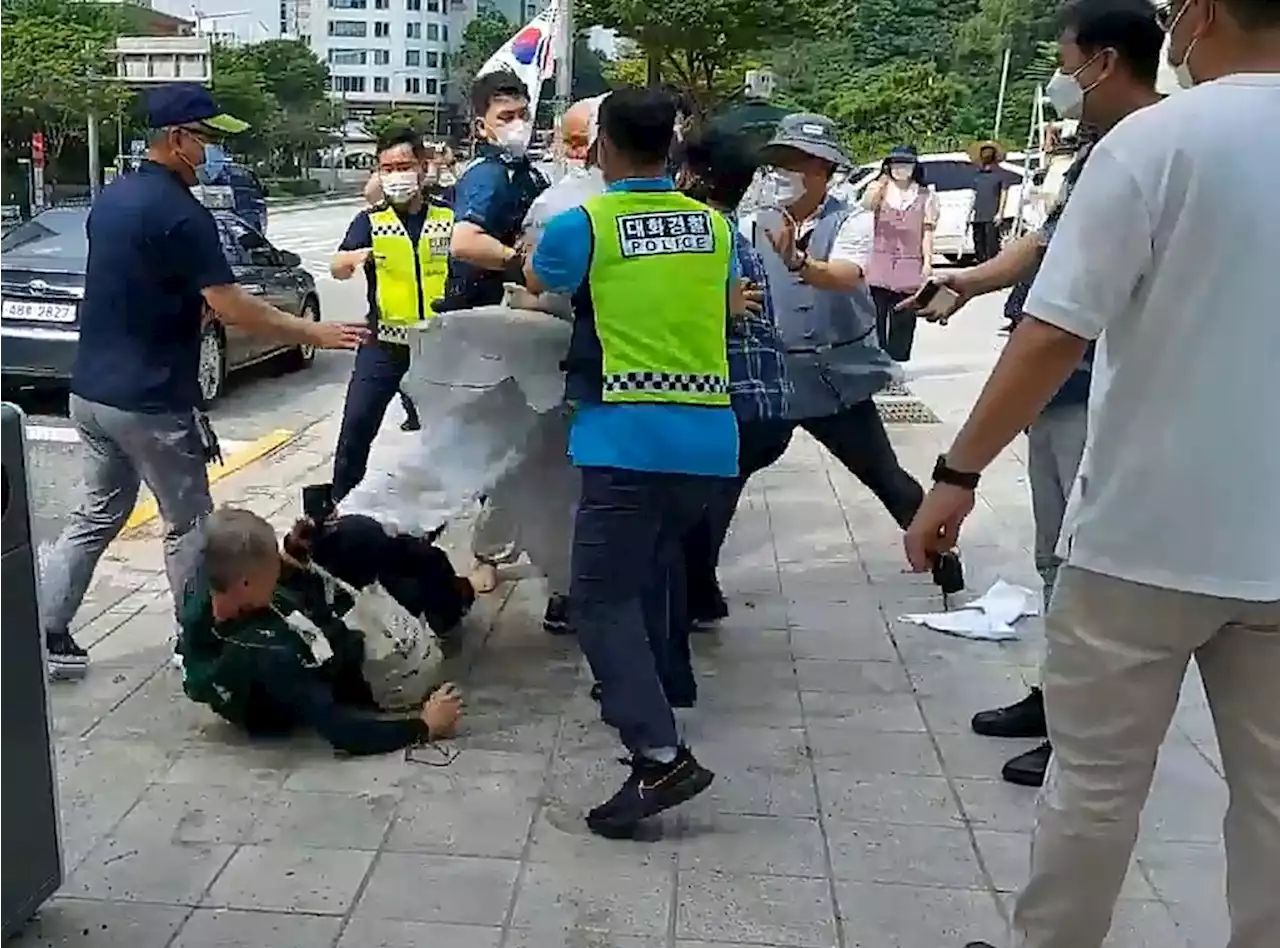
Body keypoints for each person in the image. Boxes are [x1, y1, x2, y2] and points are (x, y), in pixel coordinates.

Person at [903, 1, 1280, 946]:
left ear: (1201, 14)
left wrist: (956, 472)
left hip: (1141, 541)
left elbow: (1054, 330)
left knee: (1096, 788)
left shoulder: (1159, 142)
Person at [902, 0, 1162, 791]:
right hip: (1061, 391)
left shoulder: (1152, 148)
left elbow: (1069, 312)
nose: (1059, 81)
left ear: (1104, 62)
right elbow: (1047, 244)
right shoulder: (1100, 154)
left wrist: (959, 469)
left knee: (1089, 566)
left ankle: (1080, 729)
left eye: (1064, 61)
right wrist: (967, 283)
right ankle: (1055, 698)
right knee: (1057, 557)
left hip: (1099, 387)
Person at [39, 83, 365, 679]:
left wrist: (189, 306)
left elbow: (138, 280)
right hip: (151, 401)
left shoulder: (111, 198)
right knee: (188, 524)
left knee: (97, 513)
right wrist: (312, 333)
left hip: (90, 392)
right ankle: (199, 644)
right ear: (177, 139)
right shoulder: (184, 214)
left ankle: (47, 630)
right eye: (208, 139)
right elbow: (235, 305)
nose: (214, 152)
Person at [524, 87, 739, 837]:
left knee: (597, 599)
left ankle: (659, 755)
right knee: (650, 576)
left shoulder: (588, 222)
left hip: (627, 441)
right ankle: (660, 699)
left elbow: (541, 280)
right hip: (710, 444)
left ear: (599, 147)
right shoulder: (716, 227)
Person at [738, 114, 943, 568]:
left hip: (836, 382)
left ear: (822, 171)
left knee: (888, 479)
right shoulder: (751, 224)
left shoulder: (852, 220)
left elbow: (847, 274)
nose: (782, 172)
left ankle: (941, 559)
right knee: (721, 485)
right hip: (774, 380)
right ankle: (698, 593)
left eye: (797, 162)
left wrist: (798, 262)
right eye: (778, 161)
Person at [179, 507, 463, 755]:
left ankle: (459, 588)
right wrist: (425, 726)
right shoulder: (272, 656)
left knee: (353, 535)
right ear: (246, 585)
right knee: (406, 584)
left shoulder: (212, 579)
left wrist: (293, 551)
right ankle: (462, 593)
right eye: (272, 570)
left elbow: (266, 580)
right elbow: (342, 731)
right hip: (301, 682)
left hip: (277, 626)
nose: (278, 569)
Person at [676, 128, 792, 626]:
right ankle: (701, 597)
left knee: (692, 515)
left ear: (697, 176)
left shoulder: (701, 235)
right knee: (709, 510)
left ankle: (686, 607)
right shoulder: (733, 232)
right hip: (765, 403)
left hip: (734, 402)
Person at [329, 127, 454, 501]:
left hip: (440, 347)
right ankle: (339, 511)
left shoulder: (450, 215)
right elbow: (337, 266)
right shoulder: (370, 221)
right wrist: (357, 257)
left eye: (404, 166)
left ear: (422, 167)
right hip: (385, 346)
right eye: (387, 168)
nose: (396, 175)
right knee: (356, 428)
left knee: (457, 434)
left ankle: (479, 523)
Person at [445, 71, 548, 309]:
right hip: (485, 311)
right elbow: (464, 242)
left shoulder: (525, 171)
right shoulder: (489, 174)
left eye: (523, 115)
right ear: (482, 127)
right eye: (506, 117)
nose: (519, 125)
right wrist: (521, 262)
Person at [860, 145, 938, 362]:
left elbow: (927, 232)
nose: (900, 169)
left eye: (905, 164)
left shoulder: (926, 195)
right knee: (875, 314)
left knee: (904, 315)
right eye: (895, 164)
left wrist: (928, 262)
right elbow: (865, 209)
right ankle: (877, 361)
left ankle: (897, 362)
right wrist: (877, 186)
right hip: (879, 259)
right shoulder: (880, 189)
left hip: (909, 261)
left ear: (914, 167)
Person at [968, 140, 1007, 263]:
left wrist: (1000, 213)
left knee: (992, 246)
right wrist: (969, 213)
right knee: (979, 246)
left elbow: (1004, 193)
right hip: (978, 216)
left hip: (991, 215)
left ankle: (993, 269)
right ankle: (981, 265)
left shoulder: (999, 174)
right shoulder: (977, 176)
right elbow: (974, 195)